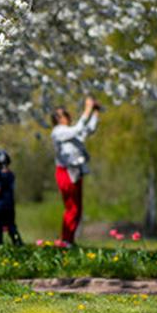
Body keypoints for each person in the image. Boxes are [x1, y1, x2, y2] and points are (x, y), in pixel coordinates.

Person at [51, 97, 100, 244]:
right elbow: (78, 128)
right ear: (58, 119)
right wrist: (87, 109)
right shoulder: (58, 132)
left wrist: (95, 113)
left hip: (76, 172)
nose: (68, 116)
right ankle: (65, 240)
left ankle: (69, 240)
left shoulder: (70, 132)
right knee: (71, 207)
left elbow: (87, 130)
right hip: (65, 172)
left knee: (77, 209)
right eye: (64, 114)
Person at [0, 151, 22, 245]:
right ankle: (18, 243)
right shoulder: (11, 174)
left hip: (0, 205)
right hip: (10, 204)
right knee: (11, 226)